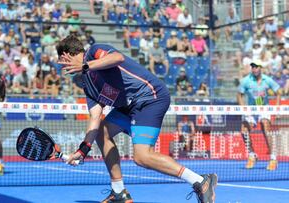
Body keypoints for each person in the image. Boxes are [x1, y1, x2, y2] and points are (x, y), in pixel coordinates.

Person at [57, 35, 217, 203]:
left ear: (68, 54)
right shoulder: (87, 85)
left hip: (150, 97)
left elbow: (117, 58)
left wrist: (85, 66)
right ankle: (118, 192)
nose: (62, 66)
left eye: (62, 61)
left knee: (142, 157)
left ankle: (201, 181)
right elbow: (95, 117)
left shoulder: (94, 51)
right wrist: (83, 149)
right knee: (101, 132)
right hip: (128, 106)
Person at [237, 60, 281, 171]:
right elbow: (239, 95)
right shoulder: (246, 80)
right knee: (244, 130)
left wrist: (276, 108)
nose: (254, 68)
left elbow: (279, 92)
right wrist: (244, 109)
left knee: (265, 126)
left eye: (256, 66)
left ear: (260, 68)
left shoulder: (268, 80)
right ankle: (252, 155)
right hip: (251, 110)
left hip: (264, 108)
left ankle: (273, 158)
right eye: (252, 67)